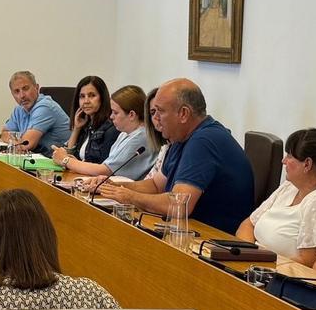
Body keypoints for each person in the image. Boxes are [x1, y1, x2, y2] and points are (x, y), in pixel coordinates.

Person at [96, 78, 253, 233]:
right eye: (154, 112)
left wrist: (131, 197)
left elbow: (180, 204)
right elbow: (156, 186)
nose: (155, 119)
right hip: (189, 231)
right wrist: (113, 187)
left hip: (215, 238)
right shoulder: (181, 137)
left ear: (183, 114)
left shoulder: (204, 140)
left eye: (160, 111)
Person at [235, 128, 316, 267]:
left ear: (307, 164)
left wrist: (256, 267)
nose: (283, 161)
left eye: (289, 156)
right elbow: (248, 224)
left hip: (276, 277)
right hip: (253, 267)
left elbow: (308, 263)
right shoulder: (290, 186)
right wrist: (246, 257)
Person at [58, 83, 154, 180]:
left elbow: (105, 170)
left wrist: (66, 160)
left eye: (115, 112)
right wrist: (75, 163)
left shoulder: (141, 137)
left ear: (131, 115)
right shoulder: (124, 133)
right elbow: (106, 165)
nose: (111, 116)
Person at [50, 76, 118, 170]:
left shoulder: (111, 128)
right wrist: (76, 129)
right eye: (82, 96)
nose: (86, 101)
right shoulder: (86, 125)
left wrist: (68, 160)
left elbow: (103, 168)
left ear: (102, 98)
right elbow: (69, 157)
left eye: (92, 95)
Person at [0, 71, 70, 155]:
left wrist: (14, 142)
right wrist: (14, 142)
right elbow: (4, 133)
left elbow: (27, 144)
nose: (22, 95)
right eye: (17, 91)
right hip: (40, 158)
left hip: (62, 161)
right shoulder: (19, 109)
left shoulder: (45, 107)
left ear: (37, 88)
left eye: (25, 88)